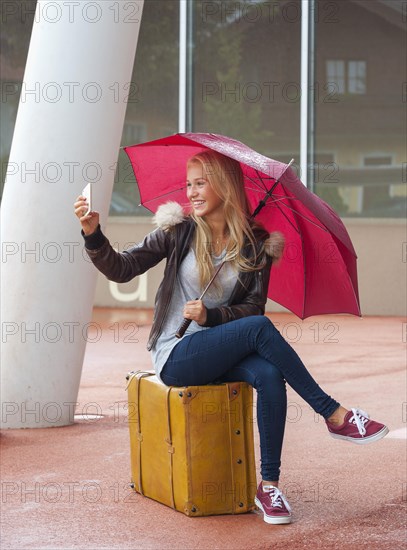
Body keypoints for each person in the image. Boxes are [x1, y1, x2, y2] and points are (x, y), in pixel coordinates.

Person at [74, 150, 388, 525]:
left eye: (200, 183)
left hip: (220, 350)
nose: (191, 192)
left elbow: (253, 308)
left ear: (224, 186)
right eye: (189, 184)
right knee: (259, 332)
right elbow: (122, 269)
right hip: (176, 355)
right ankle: (333, 413)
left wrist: (212, 314)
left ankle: (268, 485)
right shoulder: (178, 230)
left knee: (270, 376)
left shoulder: (256, 244)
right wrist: (93, 234)